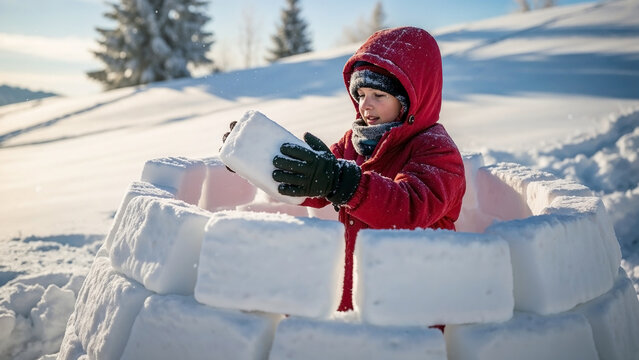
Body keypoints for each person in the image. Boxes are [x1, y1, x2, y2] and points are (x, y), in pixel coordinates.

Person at [224, 26, 466, 312]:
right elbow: (315, 184)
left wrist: (343, 182)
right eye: (360, 93)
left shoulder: (436, 149)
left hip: (411, 296)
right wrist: (256, 157)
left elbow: (410, 207)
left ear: (411, 100)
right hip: (357, 287)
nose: (366, 105)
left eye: (379, 94)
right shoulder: (357, 141)